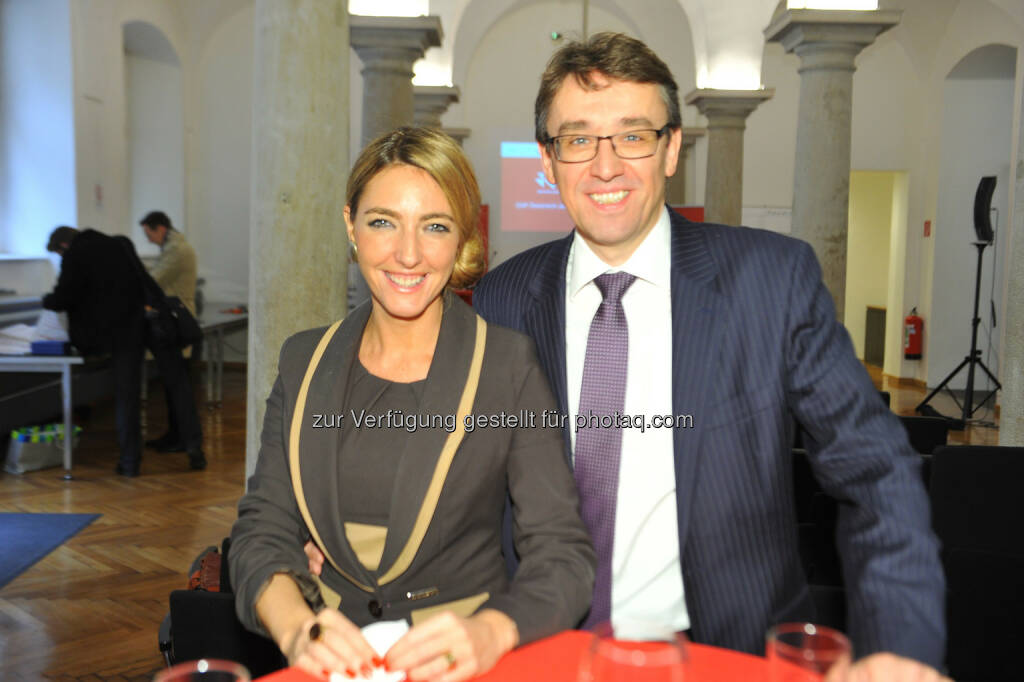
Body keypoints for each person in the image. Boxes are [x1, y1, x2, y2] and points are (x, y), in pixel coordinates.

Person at [471, 33, 947, 681]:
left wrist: (898, 646)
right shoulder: (504, 297)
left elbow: (876, 473)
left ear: (672, 149)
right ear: (548, 162)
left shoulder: (769, 281)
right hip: (546, 651)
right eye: (578, 139)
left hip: (728, 653)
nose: (604, 166)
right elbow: (472, 480)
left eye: (634, 135)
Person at [229, 127, 594, 682]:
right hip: (333, 663)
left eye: (435, 227)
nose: (407, 254)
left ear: (462, 239)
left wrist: (492, 630)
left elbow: (563, 555)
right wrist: (297, 628)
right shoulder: (304, 361)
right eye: (382, 222)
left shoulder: (505, 365)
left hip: (463, 662)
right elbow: (263, 529)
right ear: (350, 224)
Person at [42, 225, 206, 476]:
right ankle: (195, 450)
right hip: (156, 324)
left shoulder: (77, 254)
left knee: (127, 397)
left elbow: (65, 296)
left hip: (123, 334)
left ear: (63, 246)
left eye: (60, 254)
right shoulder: (120, 242)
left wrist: (46, 301)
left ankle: (130, 463)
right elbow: (146, 281)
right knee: (179, 387)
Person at [137, 211, 203, 457]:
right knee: (174, 386)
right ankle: (176, 435)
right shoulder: (173, 247)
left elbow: (153, 281)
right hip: (175, 323)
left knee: (178, 387)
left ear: (160, 228)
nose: (148, 239)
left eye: (148, 233)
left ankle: (184, 439)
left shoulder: (177, 250)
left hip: (176, 325)